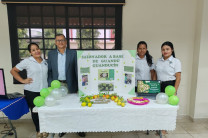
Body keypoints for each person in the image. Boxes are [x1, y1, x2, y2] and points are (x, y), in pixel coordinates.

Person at [47, 34, 85, 137]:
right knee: (61, 108)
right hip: (57, 85)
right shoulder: (51, 54)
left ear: (66, 42)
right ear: (55, 42)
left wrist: (79, 86)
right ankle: (63, 128)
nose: (60, 42)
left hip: (71, 84)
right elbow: (49, 71)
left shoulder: (73, 53)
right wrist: (51, 83)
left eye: (62, 40)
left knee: (75, 107)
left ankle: (79, 128)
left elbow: (77, 70)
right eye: (58, 41)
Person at [10, 43, 48, 138]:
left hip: (44, 91)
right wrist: (23, 80)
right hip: (31, 91)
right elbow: (13, 71)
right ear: (30, 52)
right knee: (35, 111)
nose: (36, 51)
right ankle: (39, 130)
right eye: (33, 50)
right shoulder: (27, 61)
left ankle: (45, 129)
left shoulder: (45, 61)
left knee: (44, 110)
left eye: (37, 49)